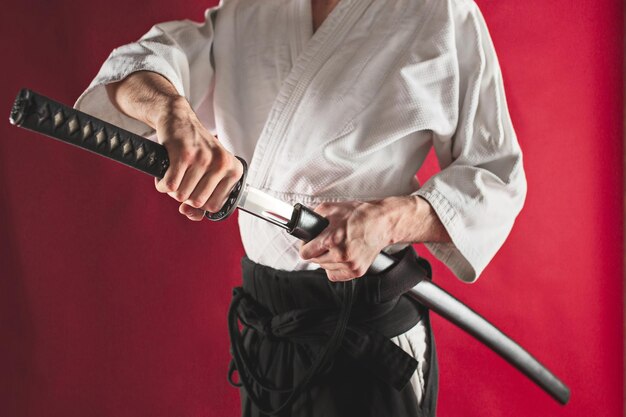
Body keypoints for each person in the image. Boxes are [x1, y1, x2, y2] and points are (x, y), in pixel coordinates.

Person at [75, 0, 527, 415]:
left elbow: (494, 177)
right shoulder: (249, 8)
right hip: (268, 326)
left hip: (364, 331)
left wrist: (385, 222)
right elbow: (141, 66)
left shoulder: (439, 11)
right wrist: (171, 112)